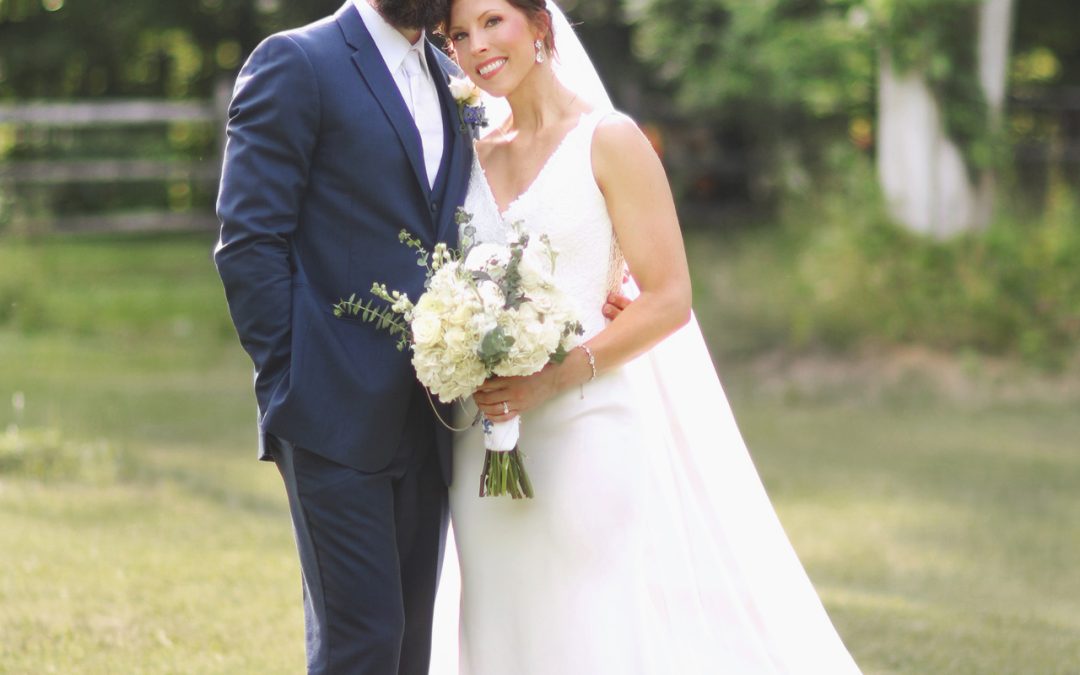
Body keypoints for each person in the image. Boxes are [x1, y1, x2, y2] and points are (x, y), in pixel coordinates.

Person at [433, 0, 865, 672]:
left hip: (586, 423)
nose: (476, 46)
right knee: (498, 624)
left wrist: (555, 374)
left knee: (590, 626)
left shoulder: (608, 140)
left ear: (539, 25)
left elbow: (669, 297)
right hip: (486, 442)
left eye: (493, 21)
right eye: (460, 35)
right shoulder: (469, 156)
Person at [214, 1, 475, 672]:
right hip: (329, 410)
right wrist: (293, 378)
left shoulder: (456, 78)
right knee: (362, 643)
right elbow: (249, 242)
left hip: (433, 414)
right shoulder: (297, 63)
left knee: (410, 646)